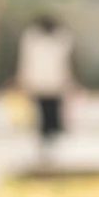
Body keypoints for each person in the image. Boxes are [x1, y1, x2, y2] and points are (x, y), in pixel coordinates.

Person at [14, 14, 75, 161]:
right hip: (47, 83)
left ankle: (49, 143)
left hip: (48, 82)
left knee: (49, 113)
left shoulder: (59, 38)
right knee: (46, 113)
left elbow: (65, 62)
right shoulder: (34, 38)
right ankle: (47, 143)